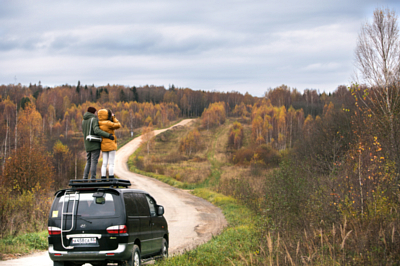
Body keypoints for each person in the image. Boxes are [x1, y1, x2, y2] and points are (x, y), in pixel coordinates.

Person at [82, 107, 114, 180]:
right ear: (93, 112)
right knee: (94, 161)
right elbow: (96, 131)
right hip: (94, 144)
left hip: (87, 144)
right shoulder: (93, 120)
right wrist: (108, 135)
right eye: (95, 112)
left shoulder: (83, 121)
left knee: (88, 161)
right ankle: (93, 178)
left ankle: (85, 178)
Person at [98, 109, 121, 180]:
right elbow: (118, 125)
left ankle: (103, 177)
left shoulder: (99, 123)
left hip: (103, 145)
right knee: (111, 163)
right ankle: (111, 177)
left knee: (104, 163)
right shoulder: (108, 123)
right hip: (111, 145)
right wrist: (113, 117)